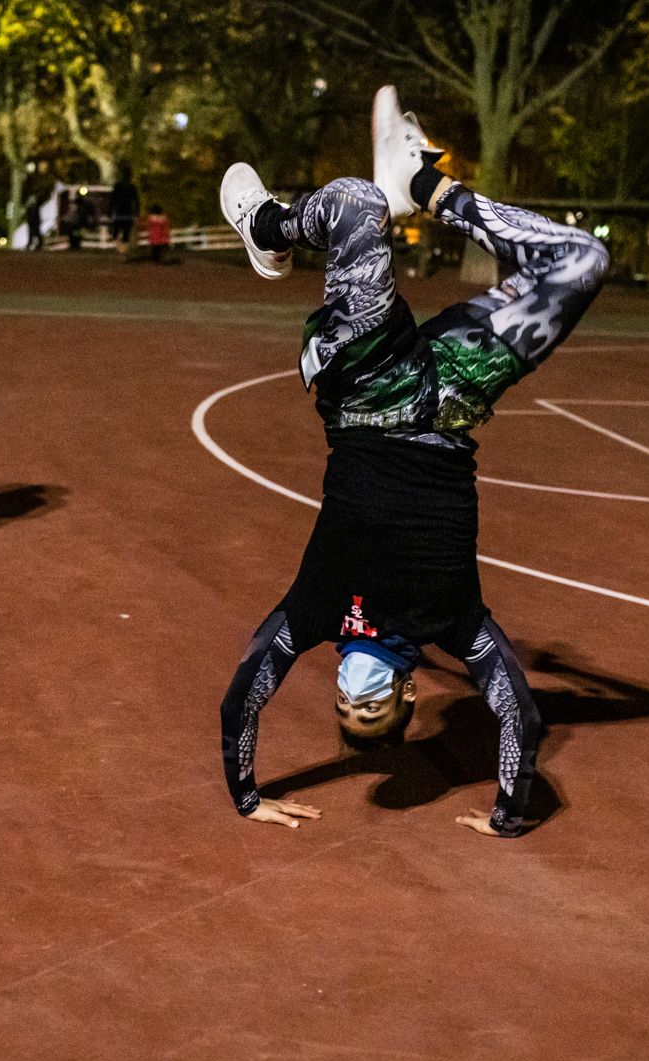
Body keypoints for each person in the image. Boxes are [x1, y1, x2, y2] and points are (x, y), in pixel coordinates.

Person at [215, 86, 609, 837]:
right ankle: (426, 183)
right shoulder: (453, 622)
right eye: (370, 712)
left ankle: (267, 228)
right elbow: (517, 712)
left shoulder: (321, 608)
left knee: (355, 204)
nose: (352, 698)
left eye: (343, 707)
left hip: (364, 386)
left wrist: (248, 795)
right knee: (582, 258)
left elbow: (244, 696)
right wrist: (508, 814)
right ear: (409, 701)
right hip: (457, 394)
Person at [110, 164, 140, 256]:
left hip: (120, 211)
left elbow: (112, 199)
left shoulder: (118, 186)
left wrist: (110, 210)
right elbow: (136, 201)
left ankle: (121, 248)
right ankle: (123, 248)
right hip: (127, 212)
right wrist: (137, 212)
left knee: (117, 231)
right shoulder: (131, 187)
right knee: (125, 231)